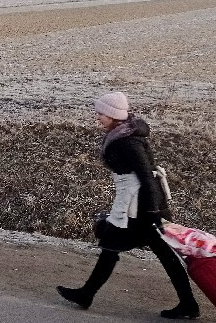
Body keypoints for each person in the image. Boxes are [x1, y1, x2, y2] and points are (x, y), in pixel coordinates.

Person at [56, 92, 199, 319]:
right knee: (146, 252)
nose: (97, 117)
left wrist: (153, 212)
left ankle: (87, 294)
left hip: (140, 207)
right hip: (138, 203)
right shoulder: (122, 135)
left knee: (115, 245)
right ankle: (188, 304)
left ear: (113, 115)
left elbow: (146, 175)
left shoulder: (128, 141)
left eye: (101, 113)